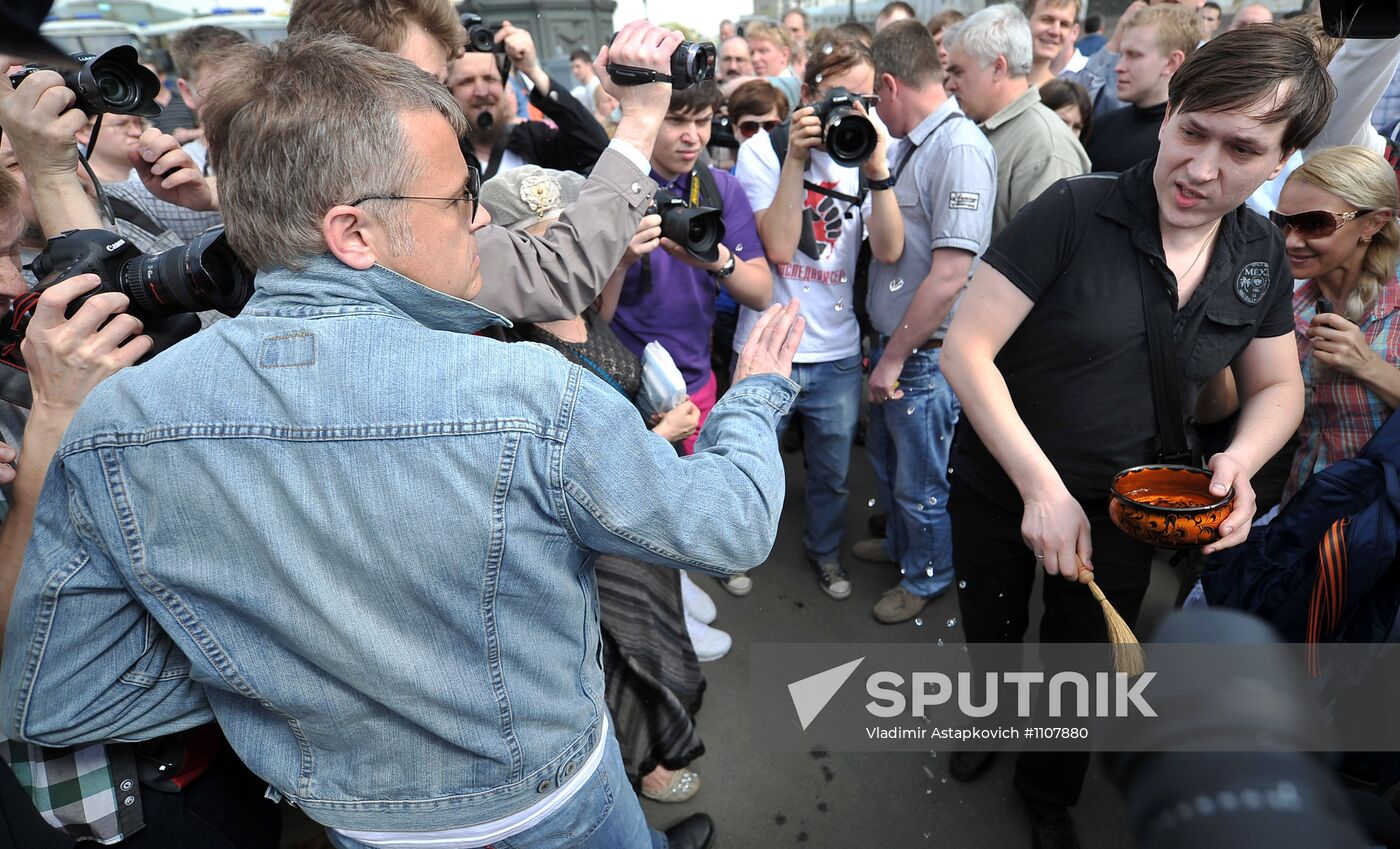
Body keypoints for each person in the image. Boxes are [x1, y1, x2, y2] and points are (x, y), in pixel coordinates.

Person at [0, 30, 807, 849]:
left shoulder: (120, 423)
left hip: (358, 825)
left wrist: (282, 679)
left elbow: (67, 691)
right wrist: (755, 396)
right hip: (556, 809)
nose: (482, 216)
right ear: (355, 232)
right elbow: (727, 524)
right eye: (460, 197)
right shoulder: (530, 395)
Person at [939, 26, 1333, 849]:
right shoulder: (1072, 211)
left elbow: (1278, 386)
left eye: (1242, 149)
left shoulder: (1259, 250)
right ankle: (986, 719)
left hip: (1130, 506)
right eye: (1192, 130)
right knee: (996, 628)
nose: (1200, 168)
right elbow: (966, 351)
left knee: (1083, 666)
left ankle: (1048, 790)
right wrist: (1040, 489)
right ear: (1169, 105)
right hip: (1003, 479)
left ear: (1283, 159)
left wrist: (1242, 460)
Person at [481, 166, 718, 803]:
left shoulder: (574, 302)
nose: (576, 249)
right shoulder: (508, 343)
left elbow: (597, 318)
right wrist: (659, 438)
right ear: (514, 253)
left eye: (577, 235)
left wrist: (614, 257)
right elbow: (562, 469)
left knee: (656, 632)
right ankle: (640, 766)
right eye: (557, 239)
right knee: (620, 654)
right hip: (594, 533)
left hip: (639, 509)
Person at [287, 0, 678, 328]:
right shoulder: (410, 224)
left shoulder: (271, 191)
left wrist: (535, 74)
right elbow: (558, 274)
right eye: (425, 89)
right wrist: (642, 118)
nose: (479, 217)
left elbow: (591, 152)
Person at [734, 34, 903, 601]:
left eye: (865, 101)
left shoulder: (873, 151)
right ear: (808, 95)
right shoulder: (764, 149)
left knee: (831, 474)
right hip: (766, 345)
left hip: (834, 353)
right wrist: (797, 159)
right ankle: (732, 545)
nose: (853, 114)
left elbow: (887, 251)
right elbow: (780, 249)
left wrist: (878, 167)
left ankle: (825, 553)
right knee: (746, 457)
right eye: (840, 99)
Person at [856, 21, 996, 624]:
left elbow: (949, 276)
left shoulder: (958, 148)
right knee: (890, 467)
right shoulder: (917, 142)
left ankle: (927, 576)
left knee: (920, 481)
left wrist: (892, 358)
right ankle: (899, 550)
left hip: (922, 353)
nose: (871, 111)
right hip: (899, 346)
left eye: (872, 98)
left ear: (890, 85)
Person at [601, 80, 772, 459]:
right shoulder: (609, 187)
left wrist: (716, 259)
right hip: (619, 387)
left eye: (703, 121)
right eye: (676, 121)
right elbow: (592, 319)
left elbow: (761, 292)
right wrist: (622, 259)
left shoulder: (721, 188)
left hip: (696, 386)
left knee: (699, 507)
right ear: (649, 117)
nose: (692, 137)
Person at [1274, 147, 1400, 504]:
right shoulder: (1287, 305)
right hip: (1303, 522)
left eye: (1314, 223)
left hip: (1380, 528)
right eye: (1282, 221)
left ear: (1374, 222)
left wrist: (1368, 366)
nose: (1292, 240)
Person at [943, 4, 1091, 236]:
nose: (950, 84)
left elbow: (1042, 256)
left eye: (958, 72)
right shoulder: (982, 128)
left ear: (998, 68)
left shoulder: (1046, 146)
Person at [447, 22, 610, 180]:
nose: (482, 92)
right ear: (448, 91)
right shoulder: (441, 151)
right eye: (466, 81)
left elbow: (597, 151)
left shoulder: (532, 139)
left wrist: (533, 70)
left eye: (489, 79)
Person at [1085, 4, 1200, 172]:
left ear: (1172, 62)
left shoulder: (1187, 144)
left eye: (1134, 55)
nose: (1119, 67)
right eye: (1122, 54)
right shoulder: (1101, 126)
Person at [170, 24, 251, 174]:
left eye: (248, 84)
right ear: (187, 92)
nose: (240, 100)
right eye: (222, 92)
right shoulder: (172, 172)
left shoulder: (289, 151)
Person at [746, 21, 802, 110]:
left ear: (784, 54)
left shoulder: (792, 86)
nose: (755, 58)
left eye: (763, 51)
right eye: (752, 52)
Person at [75, 112, 144, 183]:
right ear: (83, 132)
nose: (137, 132)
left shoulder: (151, 181)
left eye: (141, 123)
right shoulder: (78, 187)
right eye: (121, 124)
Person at [1024, 0, 1080, 87]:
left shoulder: (1063, 97)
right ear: (1025, 20)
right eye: (1047, 20)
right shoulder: (997, 79)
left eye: (1064, 24)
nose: (1055, 31)